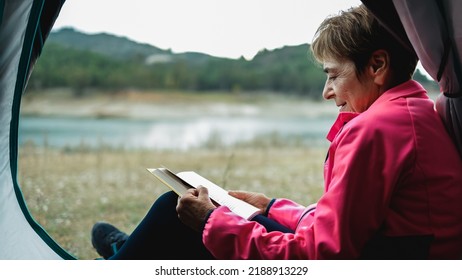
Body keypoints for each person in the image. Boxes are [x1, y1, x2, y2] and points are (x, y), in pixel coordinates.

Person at [91, 4, 462, 260]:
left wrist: (211, 223)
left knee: (177, 213)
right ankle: (134, 254)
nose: (327, 92)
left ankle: (130, 257)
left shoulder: (378, 129)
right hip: (386, 257)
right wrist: (270, 207)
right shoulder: (409, 111)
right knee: (183, 213)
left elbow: (321, 256)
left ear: (377, 65)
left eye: (333, 75)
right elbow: (345, 225)